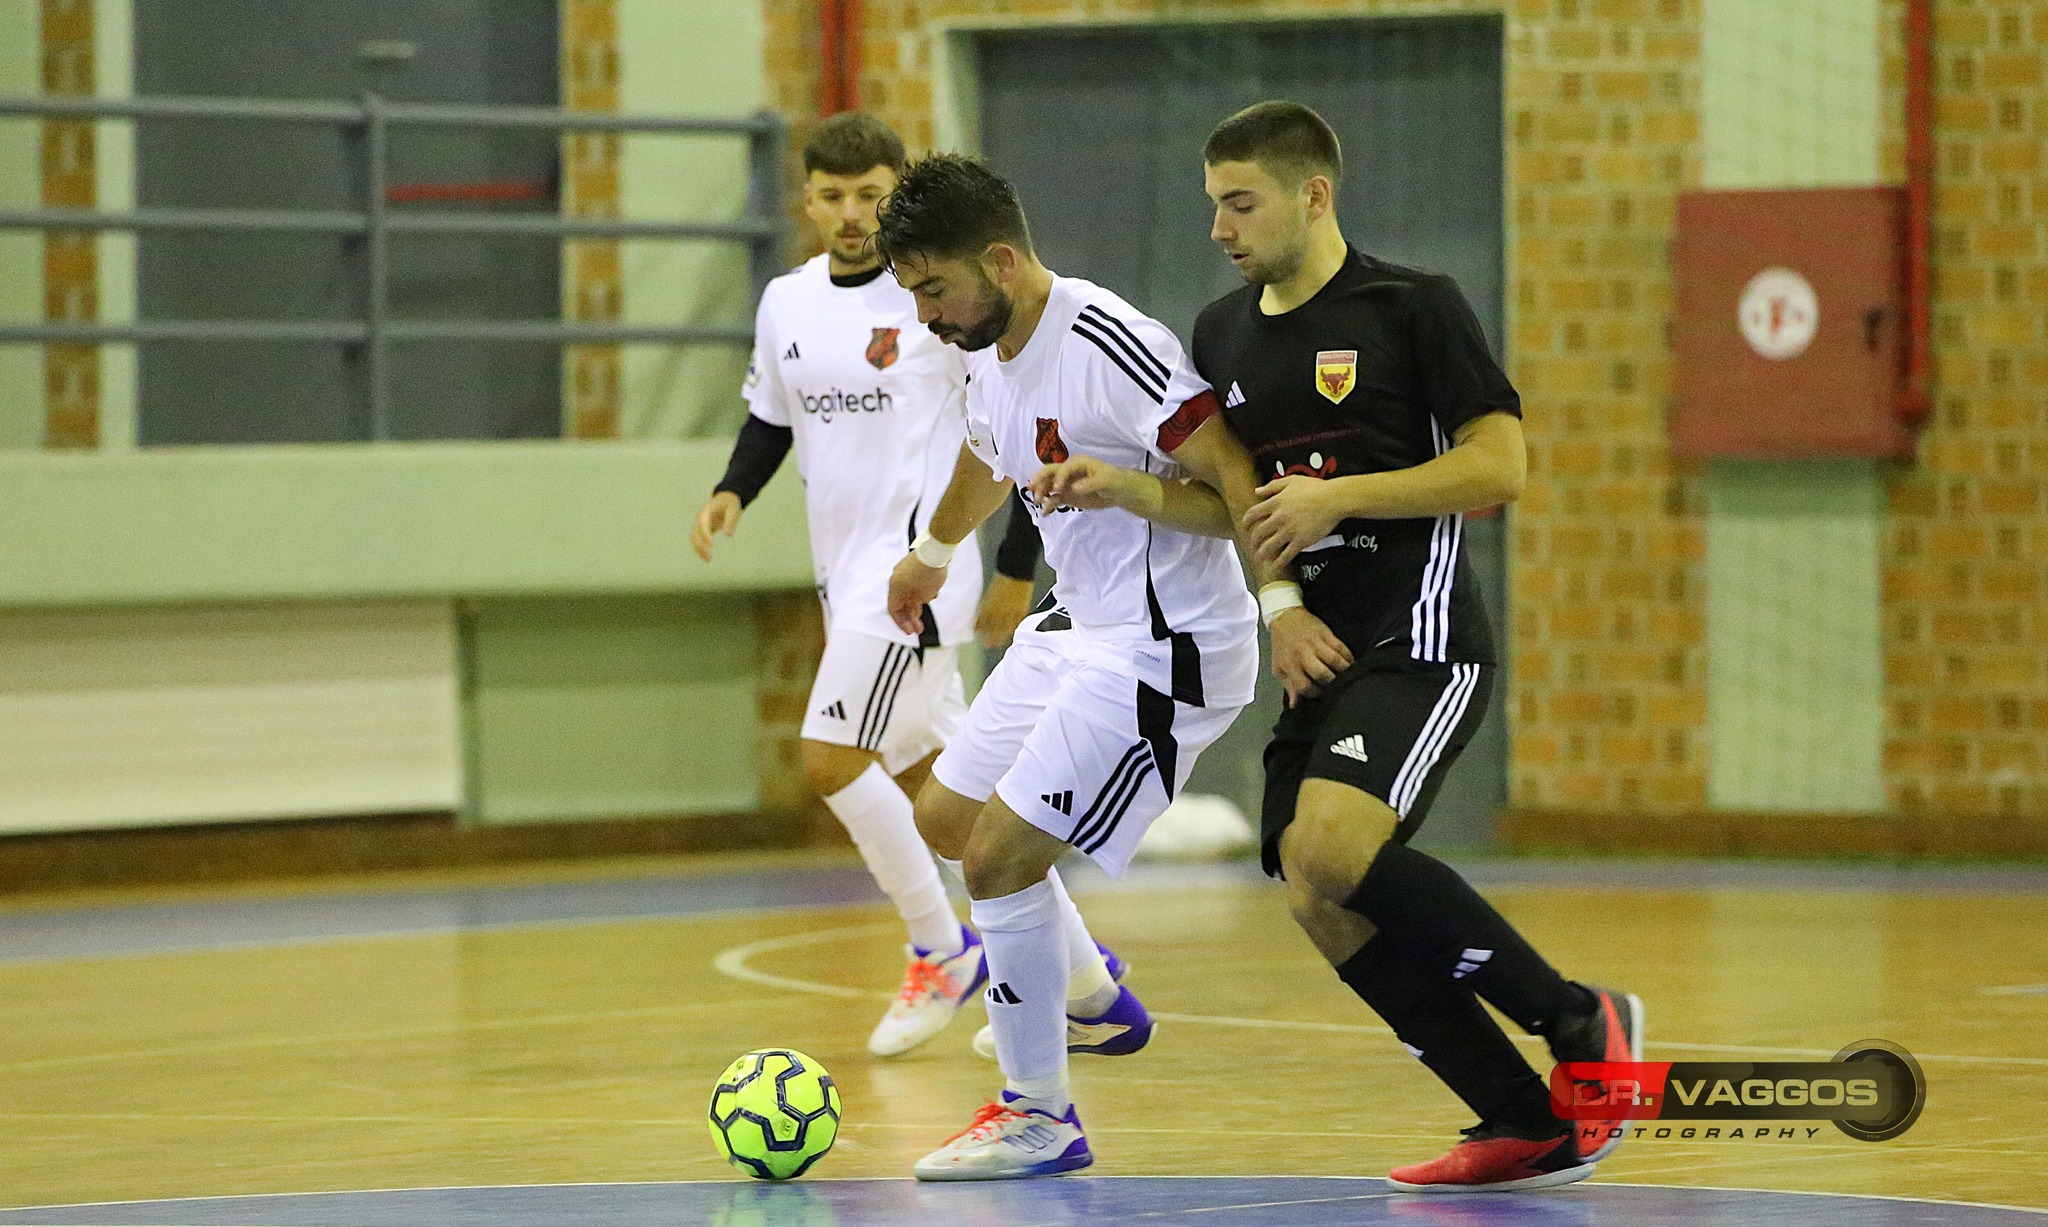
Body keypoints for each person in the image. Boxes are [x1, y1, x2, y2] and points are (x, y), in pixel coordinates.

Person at [1194, 101, 1644, 1192]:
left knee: (1335, 850)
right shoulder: (1219, 332)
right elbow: (1244, 499)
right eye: (1210, 205)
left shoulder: (1412, 307)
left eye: (1239, 202)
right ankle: (1518, 1118)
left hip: (1422, 631)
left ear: (1313, 194)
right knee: (1315, 892)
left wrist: (1340, 496)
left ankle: (1581, 1019)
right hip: (1317, 645)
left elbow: (1500, 469)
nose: (1219, 228)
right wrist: (1279, 607)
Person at [875, 154, 1268, 1181]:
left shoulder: (1111, 343)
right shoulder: (983, 339)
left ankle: (1038, 1114)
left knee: (999, 859)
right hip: (1077, 623)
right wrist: (928, 554)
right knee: (947, 820)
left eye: (931, 289)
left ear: (1001, 260)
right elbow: (984, 451)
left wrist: (1133, 495)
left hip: (1164, 644)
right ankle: (1095, 1000)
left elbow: (1242, 498)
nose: (922, 315)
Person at [691, 112, 1045, 1057]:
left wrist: (1014, 564)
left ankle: (943, 947)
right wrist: (732, 491)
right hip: (839, 572)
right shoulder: (787, 301)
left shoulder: (930, 302)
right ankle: (1083, 980)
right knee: (951, 793)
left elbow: (1005, 431)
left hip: (909, 575)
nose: (853, 215)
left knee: (829, 756)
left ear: (897, 196)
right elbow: (772, 415)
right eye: (834, 196)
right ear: (807, 200)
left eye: (872, 196)